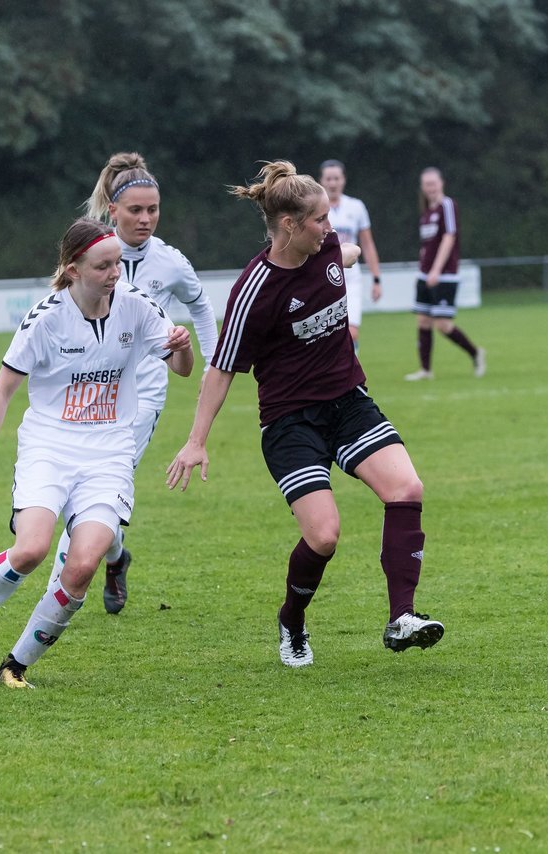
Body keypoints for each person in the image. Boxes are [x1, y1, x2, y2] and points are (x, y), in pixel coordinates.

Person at [166, 161, 445, 668]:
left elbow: (348, 252)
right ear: (289, 226)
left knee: (407, 490)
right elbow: (222, 369)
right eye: (320, 219)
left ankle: (401, 618)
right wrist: (196, 439)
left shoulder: (331, 249)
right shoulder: (255, 291)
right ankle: (292, 621)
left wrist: (354, 256)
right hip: (290, 421)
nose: (330, 227)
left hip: (348, 403)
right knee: (324, 535)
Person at [0, 218, 193, 688]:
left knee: (83, 565)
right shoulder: (45, 318)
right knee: (30, 550)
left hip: (109, 453)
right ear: (72, 270)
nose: (115, 275)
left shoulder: (138, 308)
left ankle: (16, 666)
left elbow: (183, 369)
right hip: (50, 445)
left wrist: (182, 347)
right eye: (103, 266)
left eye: (118, 266)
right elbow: (3, 391)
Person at [45, 152, 219, 615]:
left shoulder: (171, 262)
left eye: (153, 210)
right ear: (112, 210)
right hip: (88, 390)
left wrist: (214, 361)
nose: (146, 219)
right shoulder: (89, 253)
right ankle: (116, 557)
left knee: (98, 486)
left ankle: (56, 592)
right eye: (136, 211)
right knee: (76, 488)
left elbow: (200, 306)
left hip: (141, 395)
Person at [406, 167, 485, 381]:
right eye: (426, 184)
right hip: (425, 274)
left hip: (444, 274)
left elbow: (449, 237)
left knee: (443, 325)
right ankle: (425, 370)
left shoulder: (447, 206)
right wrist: (423, 270)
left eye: (433, 183)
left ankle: (476, 353)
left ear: (441, 183)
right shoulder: (427, 212)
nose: (430, 188)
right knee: (422, 321)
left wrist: (436, 270)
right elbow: (427, 246)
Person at [318, 159, 382, 348]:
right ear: (321, 180)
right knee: (326, 333)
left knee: (351, 331)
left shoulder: (356, 207)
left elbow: (368, 245)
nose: (332, 183)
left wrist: (376, 279)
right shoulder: (314, 209)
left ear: (343, 180)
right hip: (322, 277)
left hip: (350, 277)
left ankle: (350, 375)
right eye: (328, 179)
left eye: (336, 178)